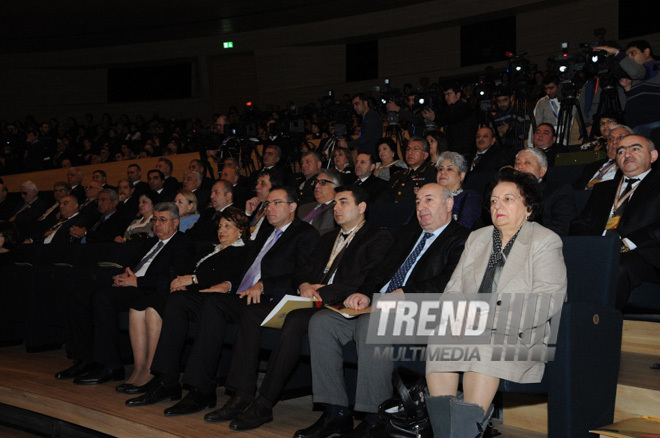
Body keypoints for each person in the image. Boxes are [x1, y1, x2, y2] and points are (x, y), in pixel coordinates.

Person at [126, 187, 320, 416]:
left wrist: (265, 285)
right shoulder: (266, 232)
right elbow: (246, 267)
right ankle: (166, 381)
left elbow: (303, 274)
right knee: (177, 300)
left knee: (214, 304)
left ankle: (201, 389)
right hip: (239, 293)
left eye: (277, 203)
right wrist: (228, 283)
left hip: (268, 298)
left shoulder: (305, 234)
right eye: (267, 204)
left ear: (292, 206)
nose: (270, 208)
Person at [214, 186, 393, 431]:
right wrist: (304, 284)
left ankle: (264, 402)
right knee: (252, 312)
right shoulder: (327, 237)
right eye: (335, 203)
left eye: (343, 202)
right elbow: (302, 269)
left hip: (341, 304)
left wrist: (324, 292)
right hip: (309, 298)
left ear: (361, 208)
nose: (336, 208)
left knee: (297, 319)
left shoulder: (377, 237)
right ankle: (242, 394)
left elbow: (368, 278)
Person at [296, 183, 469, 438]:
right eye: (418, 201)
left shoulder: (462, 238)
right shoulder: (408, 233)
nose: (421, 207)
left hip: (418, 313)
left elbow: (449, 280)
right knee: (322, 322)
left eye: (429, 200)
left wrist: (405, 294)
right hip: (379, 306)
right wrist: (365, 293)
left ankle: (375, 419)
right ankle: (336, 414)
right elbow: (380, 270)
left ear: (448, 204)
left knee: (370, 325)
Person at [425, 169, 566, 438]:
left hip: (519, 335)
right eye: (493, 200)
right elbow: (453, 290)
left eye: (508, 199)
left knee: (483, 346)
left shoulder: (544, 241)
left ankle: (464, 433)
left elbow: (546, 301)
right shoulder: (477, 238)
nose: (498, 206)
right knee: (440, 341)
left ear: (529, 207)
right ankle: (447, 433)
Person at [115, 207, 250, 395]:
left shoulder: (243, 251)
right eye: (220, 226)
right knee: (138, 306)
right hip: (187, 293)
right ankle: (140, 368)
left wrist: (193, 280)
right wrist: (180, 281)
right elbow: (185, 268)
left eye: (228, 226)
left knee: (155, 307)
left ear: (241, 230)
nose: (221, 230)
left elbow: (225, 276)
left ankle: (155, 373)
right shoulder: (209, 249)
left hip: (207, 297)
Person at [55, 203, 194, 384]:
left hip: (148, 292)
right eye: (154, 219)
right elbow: (132, 266)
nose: (157, 224)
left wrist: (136, 282)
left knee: (102, 298)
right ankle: (84, 359)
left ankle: (110, 365)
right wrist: (122, 276)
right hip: (130, 285)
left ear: (175, 222)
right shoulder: (150, 242)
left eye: (163, 220)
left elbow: (173, 278)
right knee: (78, 295)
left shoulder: (182, 244)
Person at [570, 135, 660, 309]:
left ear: (653, 156)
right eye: (621, 150)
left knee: (616, 267)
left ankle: (599, 326)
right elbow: (581, 222)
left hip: (644, 254)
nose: (627, 154)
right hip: (598, 250)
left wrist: (627, 244)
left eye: (635, 148)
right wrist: (588, 245)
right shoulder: (603, 189)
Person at [514, 148, 576, 236]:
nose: (520, 167)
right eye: (517, 163)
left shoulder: (558, 191)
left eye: (527, 163)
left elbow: (561, 228)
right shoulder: (503, 193)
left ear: (542, 171)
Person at [573, 124, 633, 190]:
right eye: (611, 139)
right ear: (607, 146)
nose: (614, 141)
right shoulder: (592, 166)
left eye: (621, 137)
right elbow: (576, 189)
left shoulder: (632, 166)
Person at [382, 137, 437, 204]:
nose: (410, 152)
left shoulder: (431, 173)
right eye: (408, 149)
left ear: (425, 155)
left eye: (416, 149)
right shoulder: (397, 175)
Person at [436, 151, 482, 229]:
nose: (442, 172)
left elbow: (464, 228)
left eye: (449, 169)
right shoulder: (430, 197)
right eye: (440, 169)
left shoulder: (470, 197)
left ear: (461, 175)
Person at [298, 168, 340, 236]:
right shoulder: (303, 208)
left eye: (322, 182)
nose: (316, 186)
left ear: (336, 187)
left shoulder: (337, 209)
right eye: (316, 182)